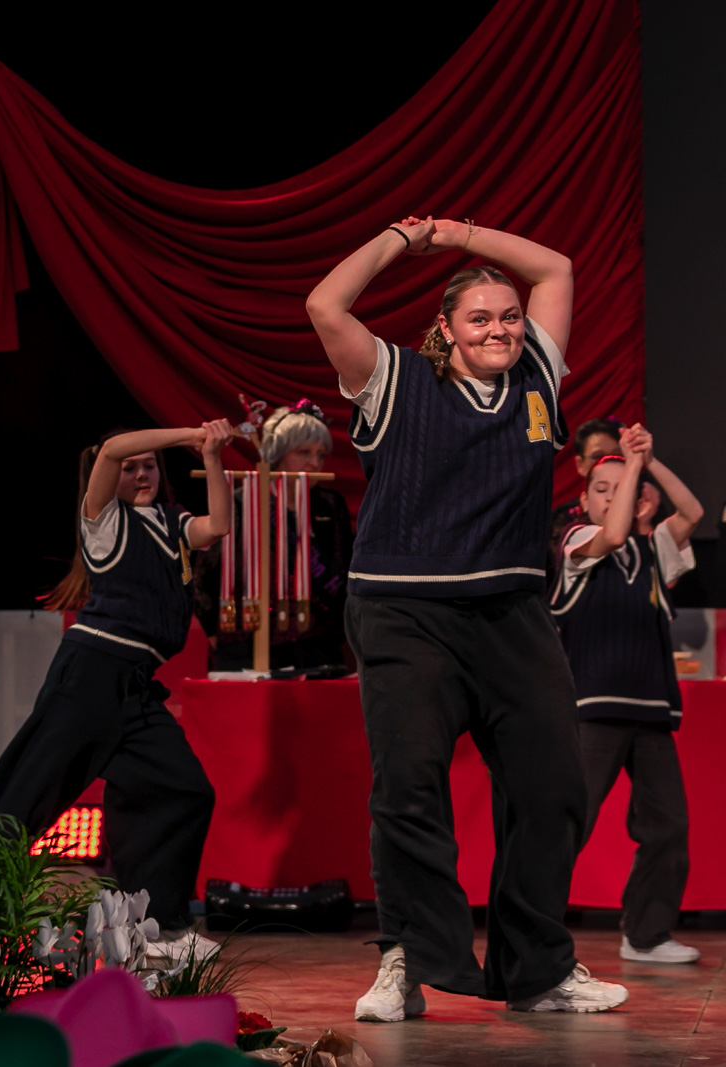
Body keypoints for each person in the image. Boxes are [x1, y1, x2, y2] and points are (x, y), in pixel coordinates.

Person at [306, 215, 627, 1019]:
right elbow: (325, 305)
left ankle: (538, 968)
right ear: (445, 329)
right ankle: (406, 959)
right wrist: (404, 238)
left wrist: (460, 234)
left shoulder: (537, 377)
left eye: (509, 316)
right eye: (480, 318)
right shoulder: (394, 377)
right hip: (404, 610)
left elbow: (556, 266)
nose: (500, 329)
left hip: (511, 612)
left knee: (554, 787)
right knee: (409, 787)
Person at [0, 421, 234, 962]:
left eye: (150, 466)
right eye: (132, 468)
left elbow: (220, 525)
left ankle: (155, 929)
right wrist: (187, 432)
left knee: (183, 790)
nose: (141, 474)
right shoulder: (105, 521)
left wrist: (210, 454)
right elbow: (112, 448)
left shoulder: (172, 522)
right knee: (29, 794)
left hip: (136, 684)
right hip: (92, 673)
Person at [551, 427, 705, 964]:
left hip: (652, 709)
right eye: (601, 489)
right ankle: (531, 933)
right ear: (583, 498)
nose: (610, 498)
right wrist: (632, 469)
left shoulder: (655, 549)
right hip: (593, 710)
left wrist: (650, 460)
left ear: (640, 500)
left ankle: (646, 935)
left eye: (622, 490)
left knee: (668, 826)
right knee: (569, 825)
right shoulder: (576, 541)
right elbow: (613, 536)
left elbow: (692, 513)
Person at [193, 400, 354, 672]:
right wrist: (213, 628)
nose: (315, 463)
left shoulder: (330, 504)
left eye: (321, 455)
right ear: (278, 454)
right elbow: (204, 575)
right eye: (304, 452)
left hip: (319, 645)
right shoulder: (241, 502)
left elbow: (345, 569)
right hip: (247, 644)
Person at [547, 416, 623, 574]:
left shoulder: (646, 506)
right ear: (580, 464)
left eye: (617, 455)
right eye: (597, 456)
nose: (607, 462)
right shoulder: (565, 520)